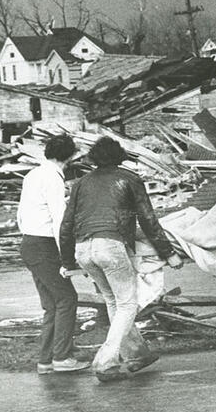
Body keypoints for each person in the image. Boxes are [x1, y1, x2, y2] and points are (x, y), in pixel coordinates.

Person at [59, 136, 183, 382]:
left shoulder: (81, 183)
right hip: (111, 246)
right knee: (127, 304)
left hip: (84, 248)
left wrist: (68, 261)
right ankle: (105, 361)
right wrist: (168, 253)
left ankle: (135, 354)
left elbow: (67, 224)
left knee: (114, 302)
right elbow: (148, 219)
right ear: (119, 156)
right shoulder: (129, 179)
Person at [18, 134, 90, 374]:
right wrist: (67, 257)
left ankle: (46, 359)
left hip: (29, 241)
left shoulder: (32, 174)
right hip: (45, 244)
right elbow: (61, 220)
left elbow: (21, 214)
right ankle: (61, 357)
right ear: (70, 157)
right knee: (67, 299)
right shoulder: (54, 179)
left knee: (51, 304)